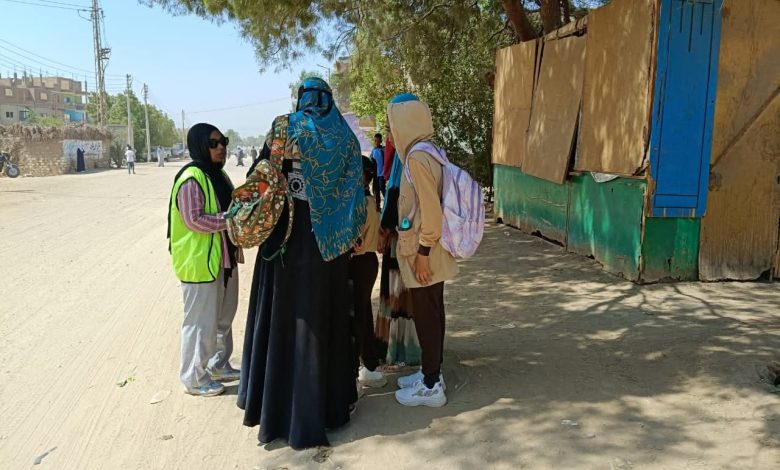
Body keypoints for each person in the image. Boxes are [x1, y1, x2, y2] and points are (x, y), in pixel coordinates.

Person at [238, 77, 366, 449]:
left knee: (283, 317)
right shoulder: (345, 138)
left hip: (285, 242)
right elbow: (355, 194)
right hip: (328, 247)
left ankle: (277, 410)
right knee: (324, 319)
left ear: (301, 100)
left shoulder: (284, 127)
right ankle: (328, 410)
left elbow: (260, 175)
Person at [388, 93, 458, 408]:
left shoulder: (416, 158)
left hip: (425, 250)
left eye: (393, 123)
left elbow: (431, 212)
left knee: (427, 315)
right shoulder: (430, 152)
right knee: (434, 310)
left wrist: (423, 253)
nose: (391, 131)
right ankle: (432, 372)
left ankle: (431, 385)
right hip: (432, 247)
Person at [166, 123, 243, 397]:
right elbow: (194, 220)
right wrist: (231, 219)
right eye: (213, 143)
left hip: (223, 259)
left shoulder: (218, 175)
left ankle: (217, 365)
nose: (221, 147)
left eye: (223, 141)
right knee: (200, 323)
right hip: (199, 264)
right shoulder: (192, 178)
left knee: (223, 318)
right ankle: (194, 378)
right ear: (200, 145)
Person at [375, 138, 421, 372]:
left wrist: (383, 231)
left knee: (398, 290)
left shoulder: (405, 158)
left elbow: (395, 198)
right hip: (412, 237)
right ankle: (408, 347)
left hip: (401, 239)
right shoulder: (418, 154)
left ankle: (399, 348)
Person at [351, 156, 386, 390]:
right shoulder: (370, 200)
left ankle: (357, 369)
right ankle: (370, 365)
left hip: (359, 262)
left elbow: (355, 241)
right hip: (368, 262)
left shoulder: (360, 204)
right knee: (363, 313)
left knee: (356, 316)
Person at [371, 133, 385, 211]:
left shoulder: (382, 150)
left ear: (381, 141)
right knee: (376, 190)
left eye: (378, 141)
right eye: (375, 140)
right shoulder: (373, 150)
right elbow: (371, 160)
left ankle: (388, 202)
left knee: (382, 187)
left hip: (382, 174)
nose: (376, 142)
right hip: (375, 174)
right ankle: (378, 205)